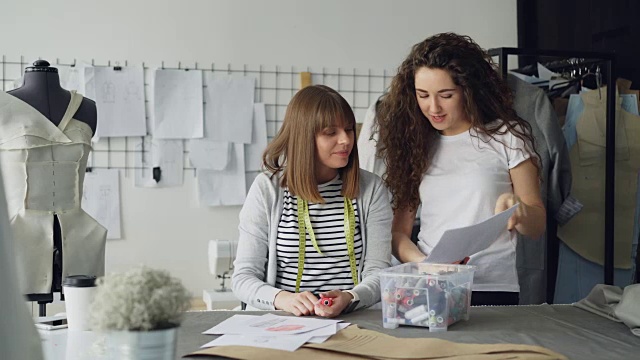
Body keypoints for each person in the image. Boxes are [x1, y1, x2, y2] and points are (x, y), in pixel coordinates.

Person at [376, 33, 546, 306]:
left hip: (492, 286)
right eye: (423, 95)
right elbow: (398, 235)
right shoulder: (415, 144)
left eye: (446, 95)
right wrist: (426, 264)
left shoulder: (508, 136)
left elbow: (537, 226)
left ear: (469, 89)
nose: (434, 107)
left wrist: (520, 209)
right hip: (432, 285)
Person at [232, 85, 392, 318]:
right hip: (285, 322)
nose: (346, 140)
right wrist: (283, 299)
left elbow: (379, 271)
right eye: (331, 133)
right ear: (303, 136)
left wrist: (351, 297)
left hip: (353, 319)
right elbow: (243, 277)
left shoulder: (371, 189)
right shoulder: (268, 189)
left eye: (348, 129)